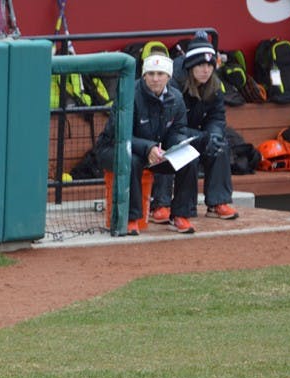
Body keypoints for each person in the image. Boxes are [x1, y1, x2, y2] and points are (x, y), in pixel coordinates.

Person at [96, 53, 197, 235]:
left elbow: (178, 130)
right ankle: (132, 218)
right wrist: (148, 147)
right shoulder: (128, 95)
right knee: (132, 160)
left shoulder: (176, 98)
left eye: (160, 74)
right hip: (113, 148)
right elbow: (119, 133)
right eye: (151, 74)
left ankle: (181, 215)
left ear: (168, 76)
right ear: (144, 75)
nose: (155, 78)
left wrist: (177, 145)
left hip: (153, 152)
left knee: (188, 159)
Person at [150, 32, 239, 223]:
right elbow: (170, 124)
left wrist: (213, 135)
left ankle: (218, 202)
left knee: (220, 143)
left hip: (195, 134)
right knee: (170, 148)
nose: (205, 70)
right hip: (169, 134)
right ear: (191, 65)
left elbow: (217, 117)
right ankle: (161, 204)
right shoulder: (173, 81)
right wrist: (201, 137)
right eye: (200, 65)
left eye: (209, 65)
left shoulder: (214, 84)